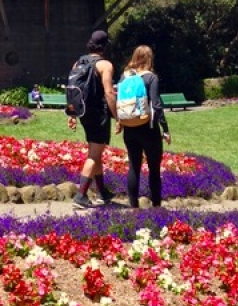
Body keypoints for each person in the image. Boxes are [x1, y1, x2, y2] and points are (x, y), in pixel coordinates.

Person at [115, 45, 171, 209]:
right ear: (149, 59)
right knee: (154, 169)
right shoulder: (151, 77)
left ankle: (133, 207)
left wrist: (119, 122)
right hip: (148, 128)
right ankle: (156, 206)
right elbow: (157, 104)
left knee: (134, 166)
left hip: (129, 128)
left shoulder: (124, 77)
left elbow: (119, 101)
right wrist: (165, 129)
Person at [68, 30, 117, 209]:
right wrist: (117, 116)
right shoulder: (105, 65)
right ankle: (81, 195)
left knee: (96, 152)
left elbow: (73, 90)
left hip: (84, 114)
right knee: (94, 155)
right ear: (105, 46)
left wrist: (72, 114)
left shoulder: (78, 62)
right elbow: (109, 93)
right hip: (98, 114)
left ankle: (102, 192)